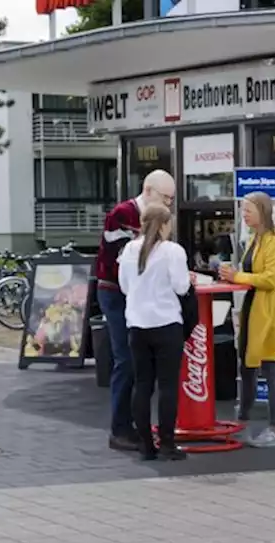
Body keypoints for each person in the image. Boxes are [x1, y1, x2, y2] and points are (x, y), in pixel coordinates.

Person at [96, 169, 176, 452]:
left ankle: (132, 425)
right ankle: (120, 428)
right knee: (126, 361)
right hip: (115, 294)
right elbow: (121, 260)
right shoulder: (122, 214)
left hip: (134, 296)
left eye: (171, 199)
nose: (168, 204)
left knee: (138, 363)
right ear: (149, 190)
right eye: (165, 197)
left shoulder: (153, 220)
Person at [116, 204, 193, 462]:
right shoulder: (173, 251)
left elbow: (125, 287)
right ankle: (168, 444)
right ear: (163, 225)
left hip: (137, 325)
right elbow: (182, 287)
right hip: (166, 324)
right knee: (168, 386)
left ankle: (146, 445)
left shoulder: (128, 250)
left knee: (142, 384)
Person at [218, 191, 275, 448]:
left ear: (263, 212)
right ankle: (243, 423)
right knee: (247, 367)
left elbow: (270, 279)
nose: (244, 215)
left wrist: (236, 276)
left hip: (271, 313)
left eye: (249, 210)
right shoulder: (255, 239)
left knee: (270, 368)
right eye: (244, 210)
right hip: (254, 309)